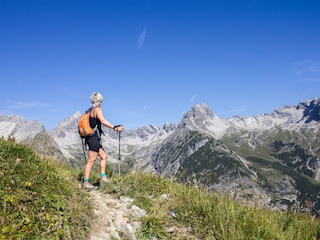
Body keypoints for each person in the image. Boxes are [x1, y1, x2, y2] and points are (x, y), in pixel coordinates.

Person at [82, 92, 124, 191]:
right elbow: (103, 121)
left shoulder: (89, 111)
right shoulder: (97, 110)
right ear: (100, 101)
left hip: (91, 138)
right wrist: (115, 127)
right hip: (93, 138)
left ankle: (103, 177)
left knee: (104, 156)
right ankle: (86, 182)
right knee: (91, 161)